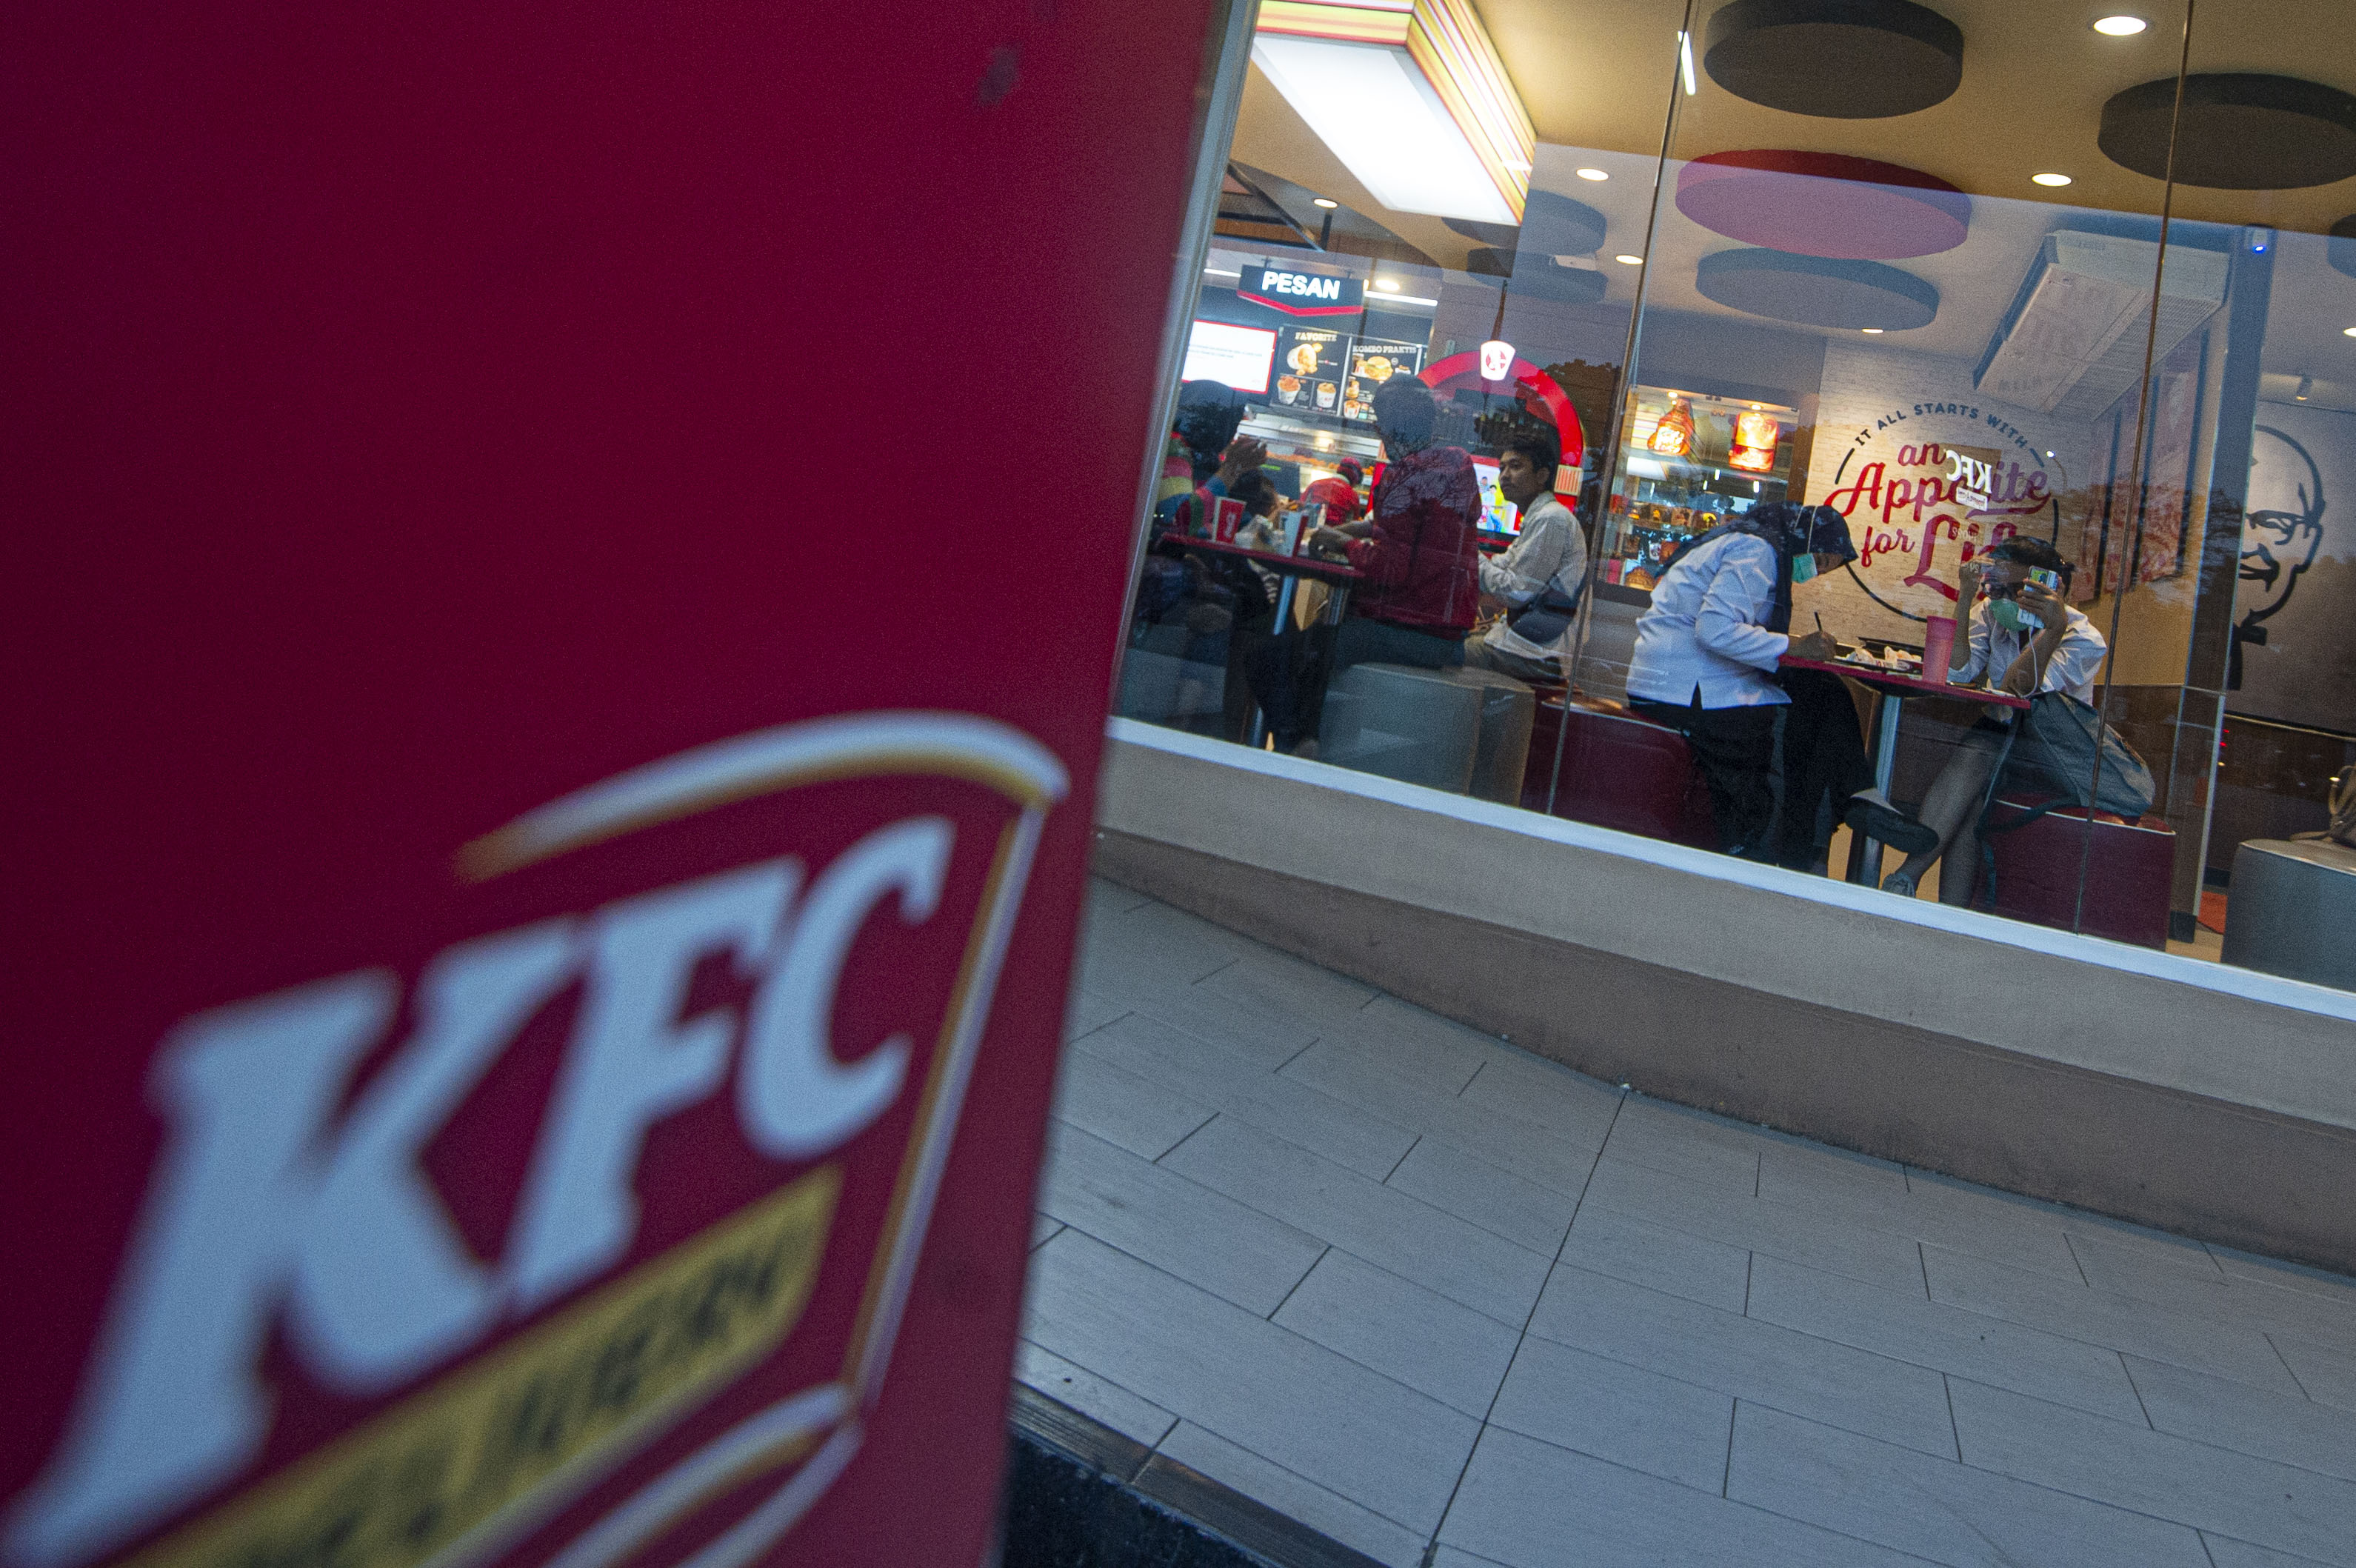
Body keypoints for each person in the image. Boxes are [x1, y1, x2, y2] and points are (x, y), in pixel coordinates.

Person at [1626, 501, 1932, 864]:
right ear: (1803, 541)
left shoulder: (1741, 540)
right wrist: (1791, 646)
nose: (1815, 572)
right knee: (1809, 729)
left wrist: (1788, 648)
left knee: (1823, 692)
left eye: (1824, 570)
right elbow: (1714, 629)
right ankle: (1833, 817)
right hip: (1685, 689)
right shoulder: (1756, 549)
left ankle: (1847, 806)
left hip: (1677, 680)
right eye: (1819, 560)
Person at [1880, 538, 2109, 902]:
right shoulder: (1991, 613)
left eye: (2017, 590)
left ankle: (1908, 875)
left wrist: (2051, 630)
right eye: (1996, 589)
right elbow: (1957, 671)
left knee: (1980, 755)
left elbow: (2020, 690)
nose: (2003, 599)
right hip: (2000, 736)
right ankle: (1943, 908)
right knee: (1974, 802)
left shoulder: (2083, 638)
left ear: (2052, 588)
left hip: (2050, 751)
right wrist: (1965, 598)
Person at [1263, 376, 1484, 753]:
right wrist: (1363, 527)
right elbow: (1421, 529)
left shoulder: (1404, 475)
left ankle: (1297, 748)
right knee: (1317, 638)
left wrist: (1343, 542)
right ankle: (1321, 742)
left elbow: (1389, 569)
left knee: (1288, 649)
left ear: (1386, 428)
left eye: (1379, 423)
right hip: (1446, 631)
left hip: (1412, 630)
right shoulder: (1455, 465)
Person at [1464, 431, 1585, 685]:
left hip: (1537, 655)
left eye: (1516, 466)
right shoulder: (1538, 517)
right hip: (1526, 645)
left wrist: (1468, 552)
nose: (1505, 476)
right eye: (1502, 468)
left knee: (1445, 652)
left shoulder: (1551, 519)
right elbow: (1502, 565)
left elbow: (1516, 592)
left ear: (1542, 475)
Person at [1301, 457, 1364, 527]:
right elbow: (1353, 524)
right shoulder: (1353, 496)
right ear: (1355, 478)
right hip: (1334, 532)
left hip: (1309, 529)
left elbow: (1300, 505)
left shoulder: (1316, 483)